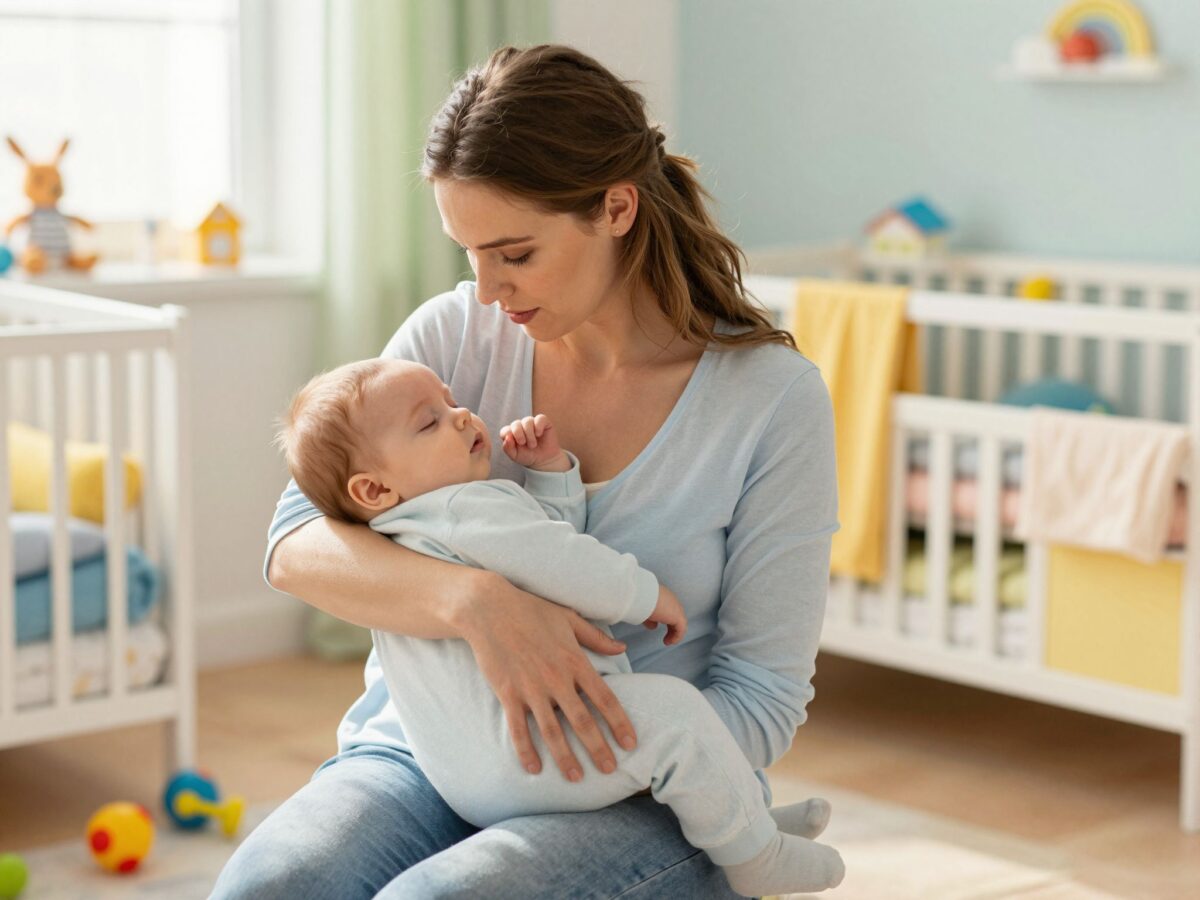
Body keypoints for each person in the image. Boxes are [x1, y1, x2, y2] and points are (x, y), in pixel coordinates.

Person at [212, 43, 839, 899]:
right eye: (468, 253)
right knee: (269, 887)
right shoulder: (445, 345)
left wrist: (597, 761)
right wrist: (478, 606)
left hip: (641, 784)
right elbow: (296, 542)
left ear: (615, 208)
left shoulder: (771, 402)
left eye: (513, 254)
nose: (485, 292)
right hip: (427, 749)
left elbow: (762, 695)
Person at [271, 356, 845, 897]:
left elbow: (540, 541)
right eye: (431, 422)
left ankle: (741, 821)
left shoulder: (405, 536)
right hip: (533, 753)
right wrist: (646, 595)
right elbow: (563, 560)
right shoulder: (460, 511)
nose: (461, 415)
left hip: (471, 770)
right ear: (372, 489)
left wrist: (549, 476)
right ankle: (753, 858)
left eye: (451, 401)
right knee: (677, 716)